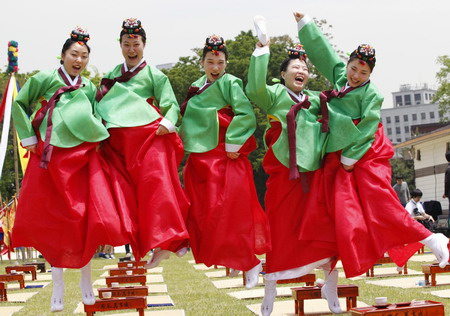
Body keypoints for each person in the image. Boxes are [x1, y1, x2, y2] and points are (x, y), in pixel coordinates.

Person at [294, 11, 449, 313]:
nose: (355, 76)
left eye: (362, 73)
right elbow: (323, 52)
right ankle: (329, 275)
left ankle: (431, 238)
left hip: (365, 152)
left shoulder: (372, 93)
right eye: (353, 69)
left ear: (370, 75)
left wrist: (352, 157)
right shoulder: (340, 74)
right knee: (335, 213)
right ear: (349, 65)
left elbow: (367, 126)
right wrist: (305, 25)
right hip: (338, 154)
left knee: (379, 202)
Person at [11, 27, 129, 312]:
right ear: (63, 55)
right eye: (74, 54)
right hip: (49, 159)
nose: (79, 60)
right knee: (56, 223)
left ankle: (86, 282)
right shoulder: (43, 78)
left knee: (83, 220)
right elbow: (19, 104)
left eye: (84, 56)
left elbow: (96, 115)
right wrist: (28, 137)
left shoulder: (88, 87)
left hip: (83, 159)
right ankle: (58, 285)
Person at [246, 17, 336, 315]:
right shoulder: (273, 96)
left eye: (305, 68)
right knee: (280, 231)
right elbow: (255, 87)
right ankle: (270, 290)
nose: (301, 71)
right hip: (284, 175)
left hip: (313, 176)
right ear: (282, 74)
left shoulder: (317, 100)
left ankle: (330, 286)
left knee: (324, 230)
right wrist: (262, 47)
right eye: (295, 68)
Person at [178, 35, 271, 289]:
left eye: (219, 62)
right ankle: (183, 242)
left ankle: (249, 261)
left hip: (224, 154)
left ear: (226, 64)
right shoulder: (196, 86)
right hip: (200, 157)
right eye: (210, 62)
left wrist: (233, 141)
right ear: (203, 63)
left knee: (230, 212)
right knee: (202, 210)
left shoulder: (231, 83)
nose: (215, 67)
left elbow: (245, 112)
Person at [95, 18, 189, 268]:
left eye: (136, 43)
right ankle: (150, 242)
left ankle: (169, 240)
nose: (131, 49)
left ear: (144, 45)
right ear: (120, 45)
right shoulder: (111, 76)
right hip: (119, 143)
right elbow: (98, 106)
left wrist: (167, 124)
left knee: (158, 186)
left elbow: (170, 105)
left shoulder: (154, 75)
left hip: (149, 138)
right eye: (126, 44)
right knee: (127, 195)